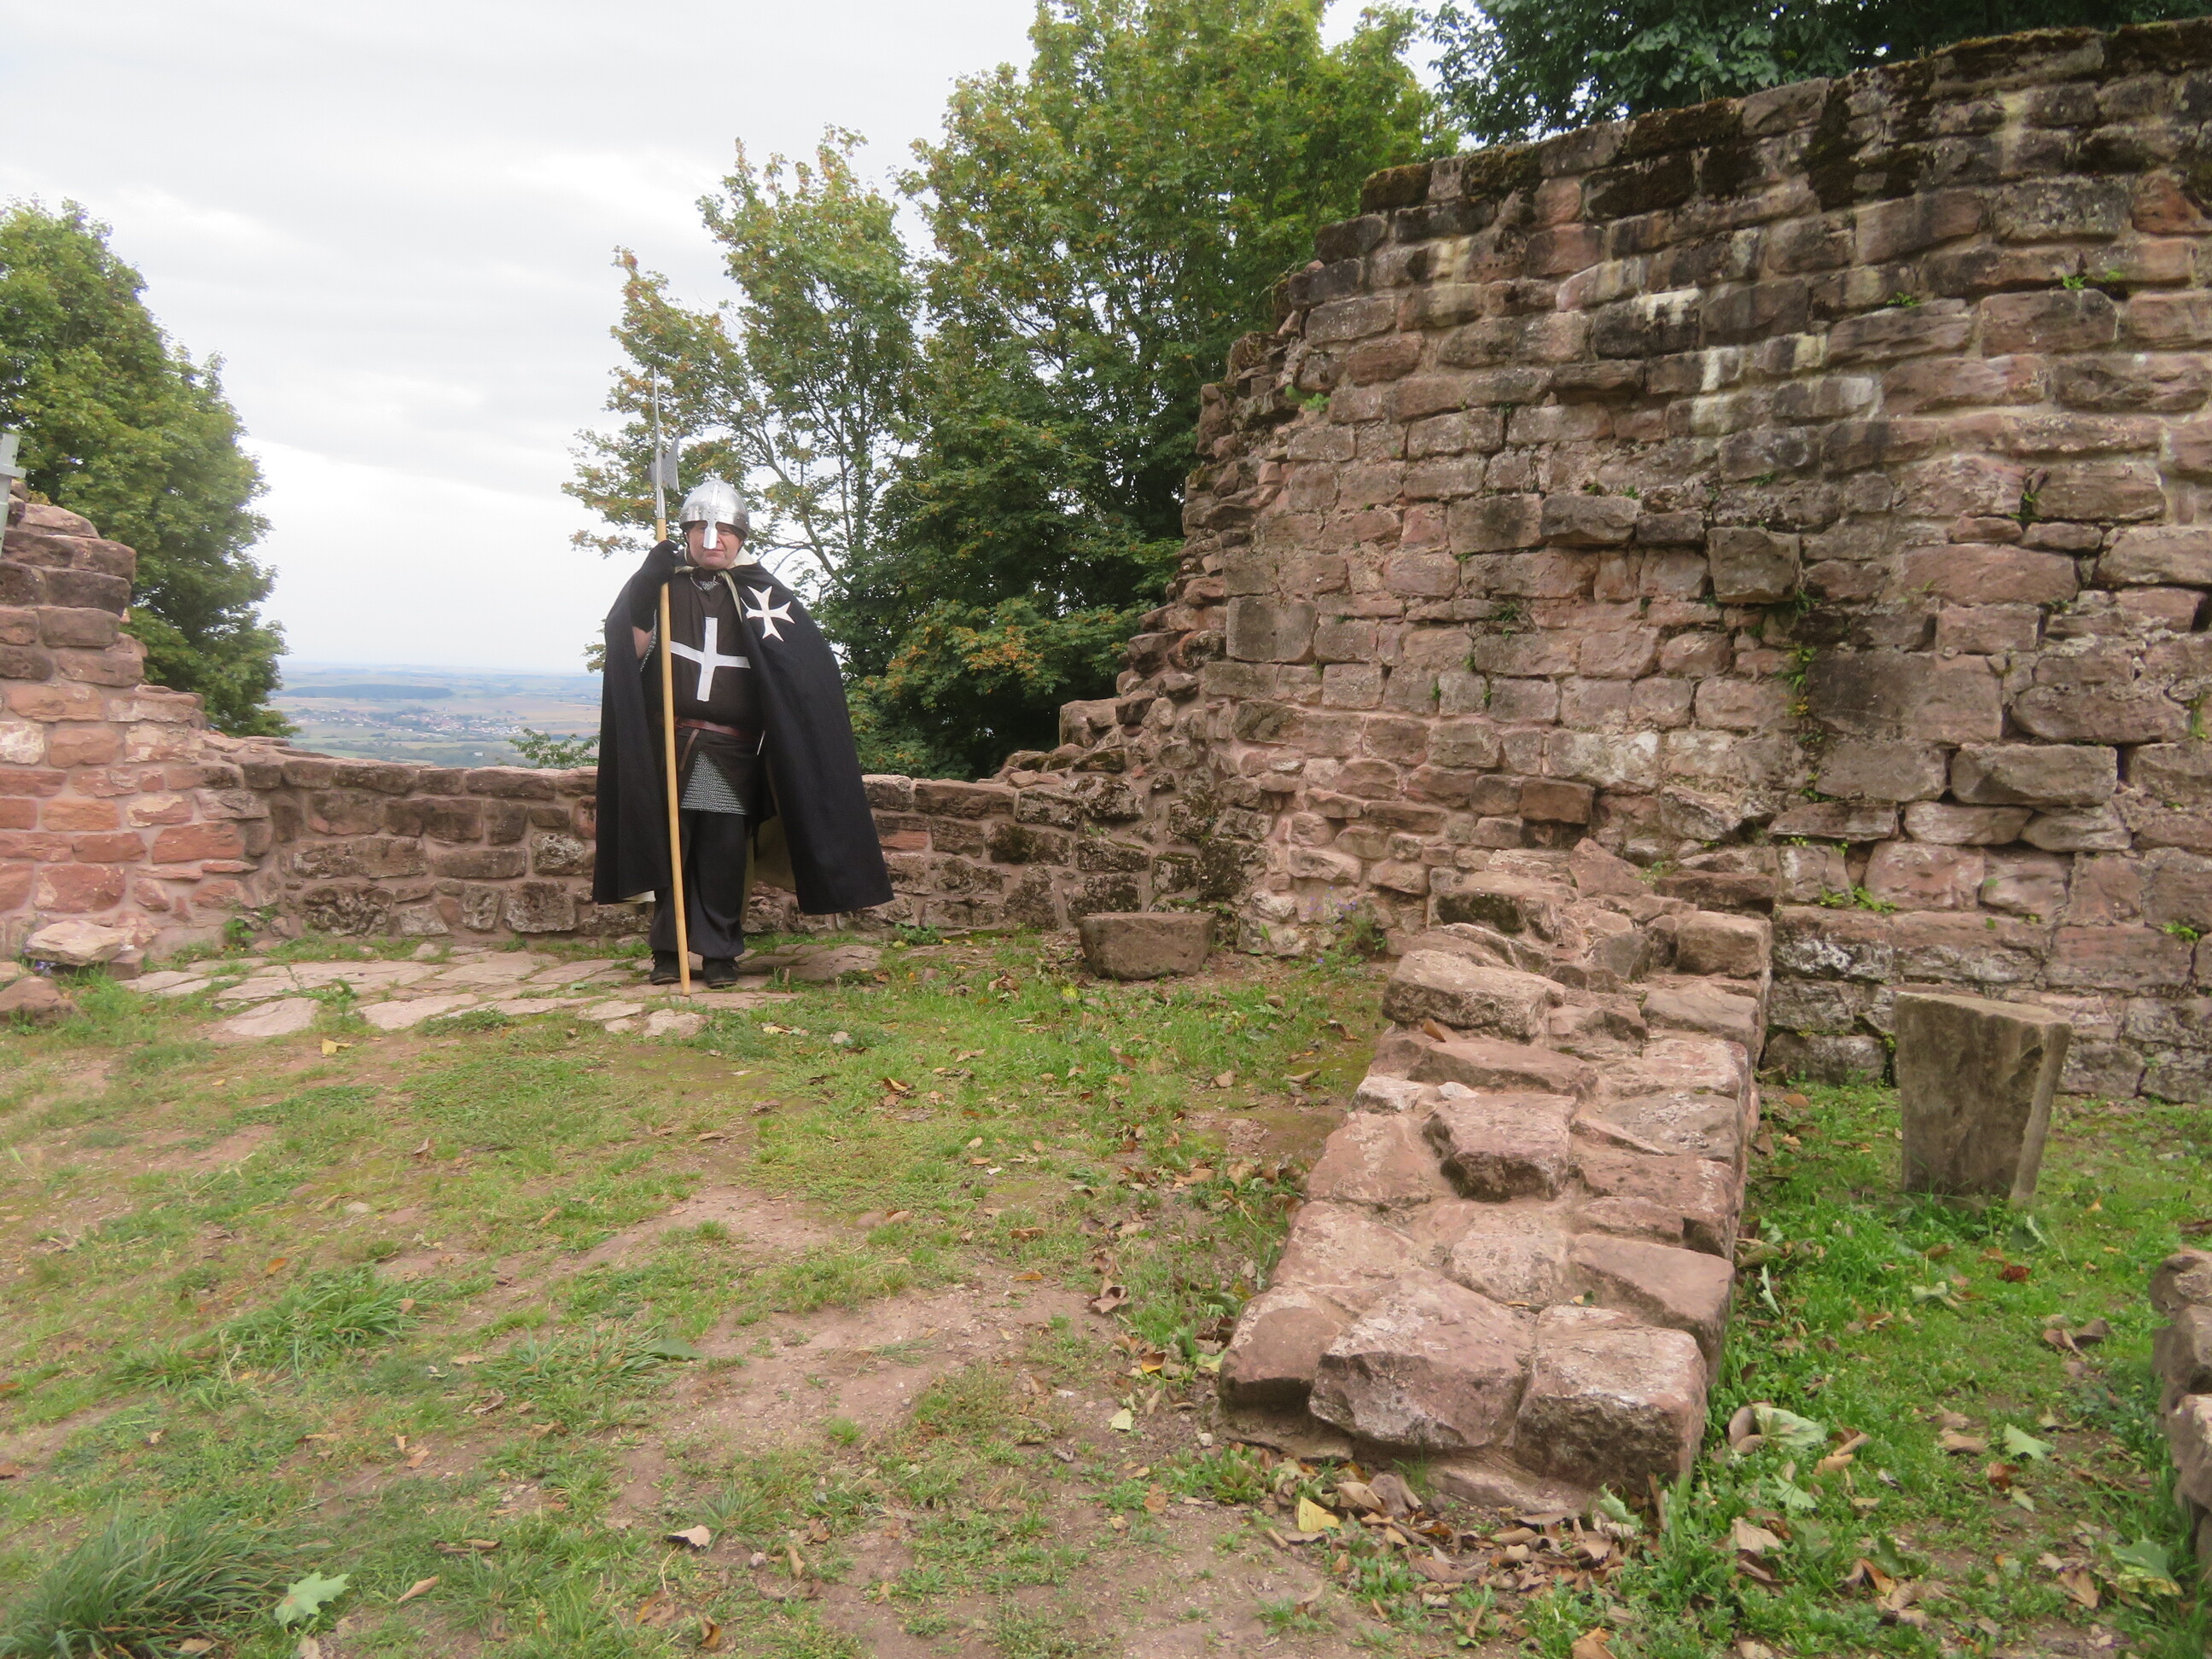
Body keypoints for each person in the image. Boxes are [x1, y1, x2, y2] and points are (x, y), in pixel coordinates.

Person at [591, 479, 891, 985]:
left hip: (728, 751)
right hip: (669, 745)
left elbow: (806, 670)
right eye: (702, 530)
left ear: (740, 537)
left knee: (722, 853)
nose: (714, 540)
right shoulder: (662, 587)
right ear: (687, 534)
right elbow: (627, 649)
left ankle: (720, 954)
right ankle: (669, 952)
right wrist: (643, 587)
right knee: (670, 848)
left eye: (726, 531)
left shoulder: (761, 593)